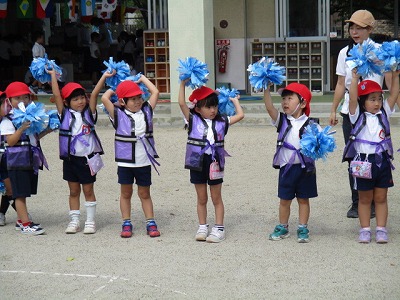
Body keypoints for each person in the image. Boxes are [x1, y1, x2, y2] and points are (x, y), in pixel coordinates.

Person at [329, 10, 391, 219]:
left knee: (376, 154)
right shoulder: (344, 52)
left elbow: (390, 82)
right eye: (351, 27)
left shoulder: (381, 51)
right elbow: (340, 83)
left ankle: (376, 199)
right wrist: (333, 109)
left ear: (370, 29)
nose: (354, 32)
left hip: (375, 107)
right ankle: (358, 201)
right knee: (354, 156)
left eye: (359, 28)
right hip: (352, 109)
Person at [47, 68, 113, 234]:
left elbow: (96, 93)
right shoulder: (64, 114)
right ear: (67, 102)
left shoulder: (90, 114)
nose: (80, 101)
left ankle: (90, 221)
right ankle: (75, 220)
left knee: (88, 190)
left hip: (87, 159)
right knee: (73, 191)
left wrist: (104, 76)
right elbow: (56, 95)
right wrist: (53, 76)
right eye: (75, 99)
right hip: (70, 160)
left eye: (82, 97)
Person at [178, 83, 244, 243]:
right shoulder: (192, 120)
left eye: (214, 106)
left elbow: (240, 115)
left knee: (216, 197)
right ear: (198, 108)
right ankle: (202, 226)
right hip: (197, 162)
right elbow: (181, 103)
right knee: (201, 198)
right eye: (208, 107)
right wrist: (182, 83)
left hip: (215, 162)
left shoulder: (222, 121)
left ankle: (219, 228)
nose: (213, 110)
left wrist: (234, 101)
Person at [101, 75, 161, 239]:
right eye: (132, 99)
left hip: (144, 161)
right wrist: (118, 84)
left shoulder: (147, 110)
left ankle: (150, 221)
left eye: (139, 97)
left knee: (145, 193)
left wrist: (141, 79)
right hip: (126, 162)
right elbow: (105, 97)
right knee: (126, 193)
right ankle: (126, 222)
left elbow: (155, 91)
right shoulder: (118, 114)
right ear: (122, 102)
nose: (137, 101)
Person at [343, 70, 399, 243]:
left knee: (381, 197)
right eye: (372, 99)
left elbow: (395, 93)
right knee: (364, 198)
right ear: (362, 101)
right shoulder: (356, 116)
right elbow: (352, 98)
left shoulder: (384, 113)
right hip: (363, 161)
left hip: (382, 160)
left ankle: (381, 229)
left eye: (379, 99)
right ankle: (365, 229)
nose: (377, 103)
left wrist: (395, 76)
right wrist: (353, 79)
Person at [264, 83, 317, 243]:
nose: (285, 102)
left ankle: (302, 227)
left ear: (302, 103)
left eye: (290, 98)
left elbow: (319, 146)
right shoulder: (281, 120)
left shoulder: (312, 124)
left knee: (303, 199)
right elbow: (269, 107)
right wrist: (266, 88)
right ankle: (283, 226)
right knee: (284, 200)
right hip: (286, 168)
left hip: (305, 168)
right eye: (283, 99)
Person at [0, 82, 50, 235]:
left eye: (25, 97)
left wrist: (48, 130)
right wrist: (21, 127)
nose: (22, 101)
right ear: (9, 101)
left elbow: (33, 137)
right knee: (19, 193)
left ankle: (20, 221)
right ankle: (25, 225)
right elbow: (11, 141)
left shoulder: (30, 116)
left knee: (24, 191)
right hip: (16, 161)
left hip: (29, 159)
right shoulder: (8, 120)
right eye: (17, 98)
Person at [0, 91, 16, 226]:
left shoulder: (9, 120)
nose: (7, 106)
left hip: (5, 159)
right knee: (8, 188)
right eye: (4, 103)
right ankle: (24, 216)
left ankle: (1, 213)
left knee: (9, 187)